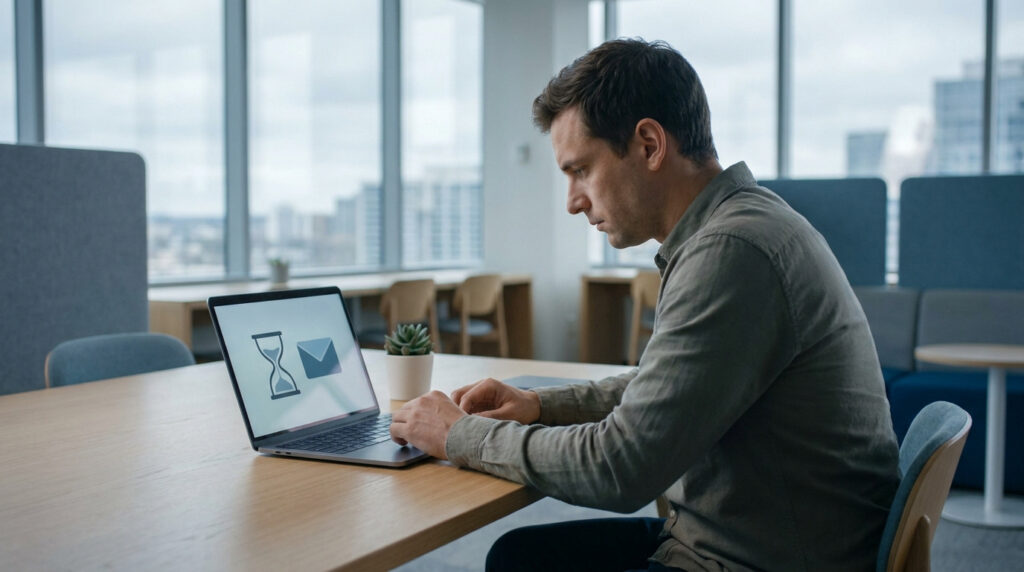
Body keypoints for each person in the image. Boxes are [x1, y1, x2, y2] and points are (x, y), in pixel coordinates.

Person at [389, 38, 899, 571]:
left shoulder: (733, 251)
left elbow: (620, 469)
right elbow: (662, 387)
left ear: (650, 145)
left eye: (580, 170)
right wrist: (540, 407)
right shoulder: (738, 227)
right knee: (517, 556)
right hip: (754, 537)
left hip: (754, 559)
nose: (572, 202)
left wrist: (459, 435)